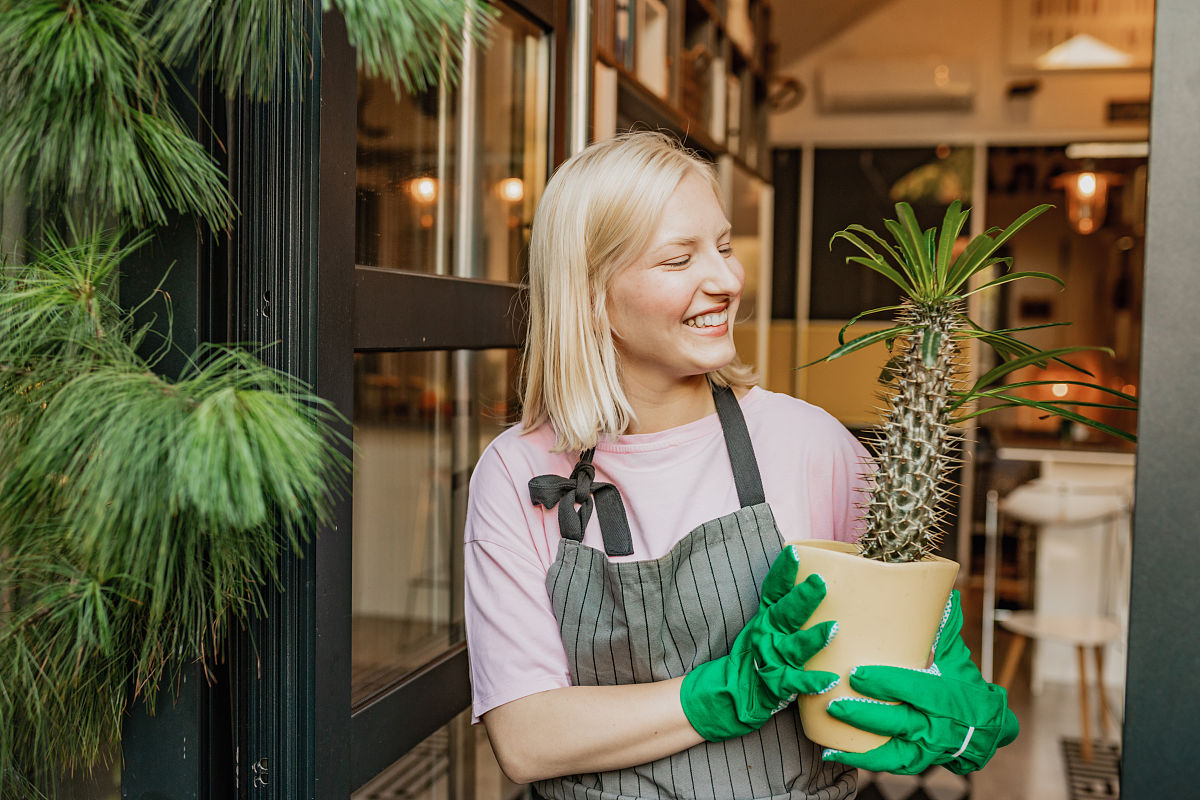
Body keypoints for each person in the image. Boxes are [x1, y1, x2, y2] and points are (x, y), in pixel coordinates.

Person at [463, 131, 1016, 800]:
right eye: (679, 259)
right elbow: (525, 739)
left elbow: (908, 651)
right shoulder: (516, 471)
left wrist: (944, 707)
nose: (727, 280)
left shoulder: (810, 445)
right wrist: (728, 689)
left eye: (723, 247)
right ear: (589, 295)